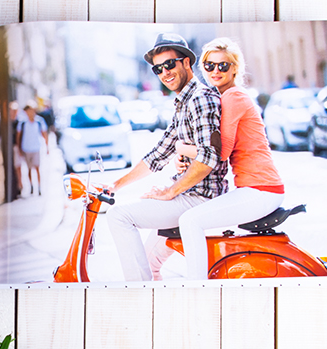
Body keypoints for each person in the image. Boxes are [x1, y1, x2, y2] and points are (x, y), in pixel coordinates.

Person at [106, 33, 227, 281]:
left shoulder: (200, 99)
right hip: (187, 194)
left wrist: (171, 191)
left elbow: (209, 158)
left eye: (170, 64)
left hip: (200, 198)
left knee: (119, 216)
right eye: (158, 69)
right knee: (150, 265)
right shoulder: (183, 103)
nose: (165, 73)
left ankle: (138, 294)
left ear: (186, 63)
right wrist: (115, 185)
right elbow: (158, 154)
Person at [167, 37, 285, 280]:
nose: (216, 71)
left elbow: (221, 152)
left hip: (261, 189)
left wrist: (181, 147)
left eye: (224, 65)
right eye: (210, 65)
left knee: (190, 220)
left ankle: (197, 286)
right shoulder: (222, 97)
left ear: (235, 68)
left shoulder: (233, 97)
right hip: (254, 188)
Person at [16, 101, 49, 195]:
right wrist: (19, 148)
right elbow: (18, 136)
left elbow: (44, 134)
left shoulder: (39, 121)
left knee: (37, 168)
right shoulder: (22, 122)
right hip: (26, 148)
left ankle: (38, 187)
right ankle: (31, 186)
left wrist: (47, 147)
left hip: (36, 148)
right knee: (29, 169)